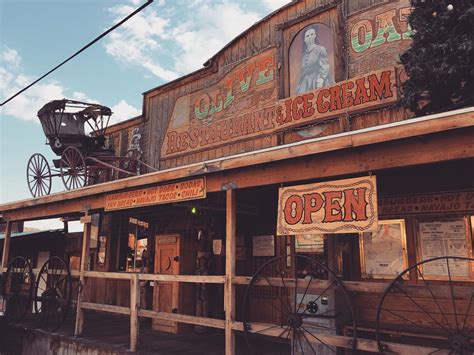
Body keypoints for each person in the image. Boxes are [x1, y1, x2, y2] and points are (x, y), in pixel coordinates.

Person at [296, 26, 334, 94]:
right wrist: (299, 84)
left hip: (316, 80)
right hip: (305, 83)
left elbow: (325, 65)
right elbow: (302, 71)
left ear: (315, 36)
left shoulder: (320, 49)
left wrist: (321, 78)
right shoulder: (304, 55)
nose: (310, 37)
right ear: (304, 39)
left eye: (311, 34)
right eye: (307, 36)